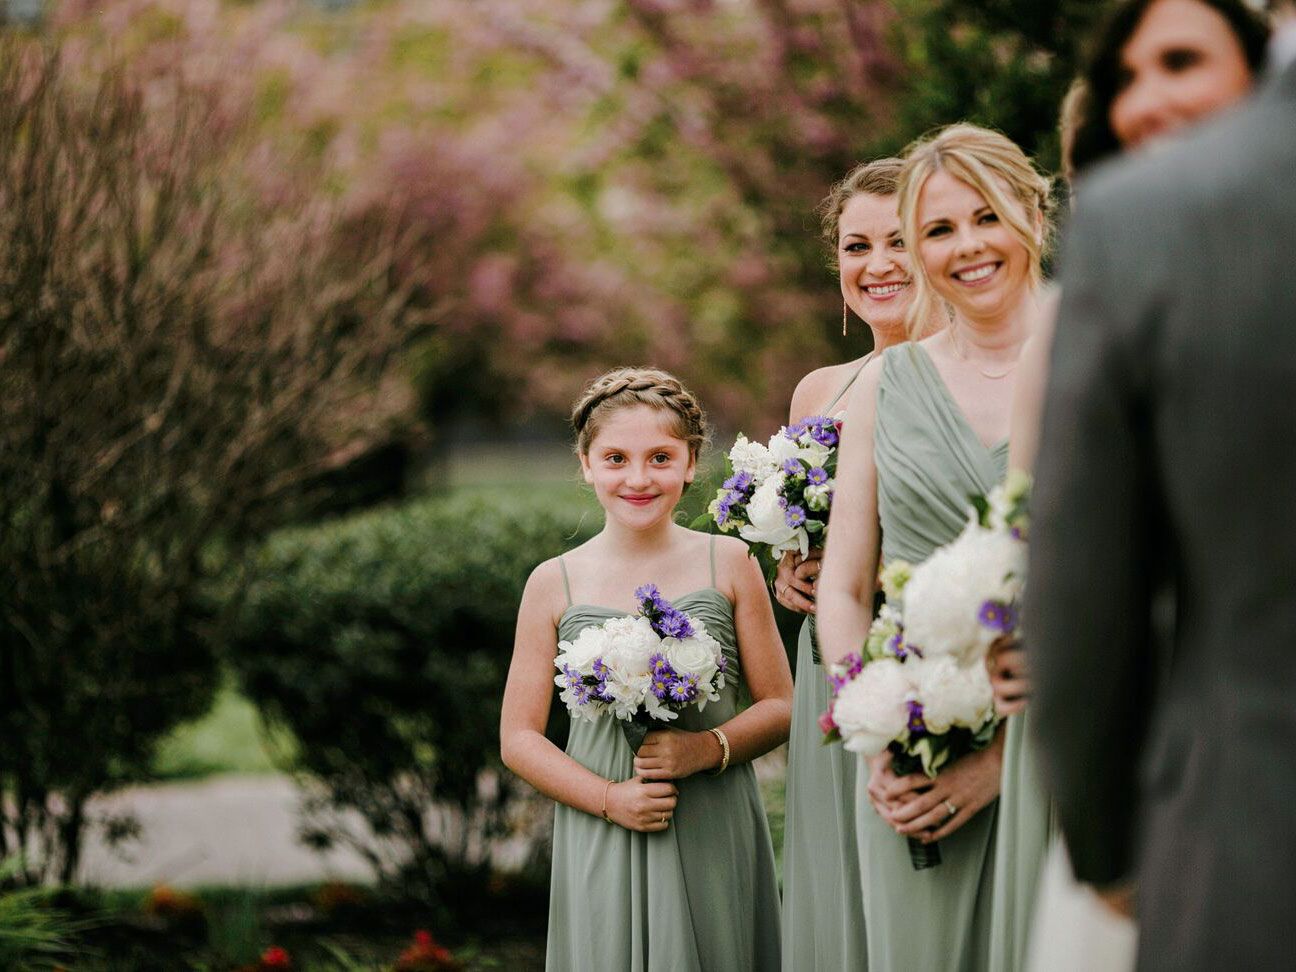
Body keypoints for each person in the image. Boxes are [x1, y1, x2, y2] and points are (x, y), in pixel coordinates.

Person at [984, 4, 1270, 968]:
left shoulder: (1142, 233)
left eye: (1183, 60)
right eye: (1126, 82)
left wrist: (1104, 845)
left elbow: (1079, 579)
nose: (1150, 102)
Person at [816, 123, 1051, 972]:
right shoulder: (887, 382)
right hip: (914, 769)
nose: (968, 247)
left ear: (1033, 210)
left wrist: (1003, 761)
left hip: (1060, 747)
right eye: (940, 230)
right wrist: (871, 725)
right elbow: (844, 590)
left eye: (986, 217)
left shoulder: (1099, 353)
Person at [499, 367, 792, 971]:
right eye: (615, 458)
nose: (638, 478)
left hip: (710, 816)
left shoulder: (730, 562)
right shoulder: (552, 582)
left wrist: (704, 749)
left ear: (690, 463)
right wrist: (609, 798)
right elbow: (519, 739)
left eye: (660, 457)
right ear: (586, 464)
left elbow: (781, 705)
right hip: (604, 820)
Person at [775, 157, 927, 972]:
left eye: (898, 240)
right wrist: (790, 571)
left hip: (918, 649)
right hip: (824, 664)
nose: (876, 265)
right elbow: (810, 535)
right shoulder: (817, 390)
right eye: (855, 245)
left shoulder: (973, 372)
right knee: (837, 882)